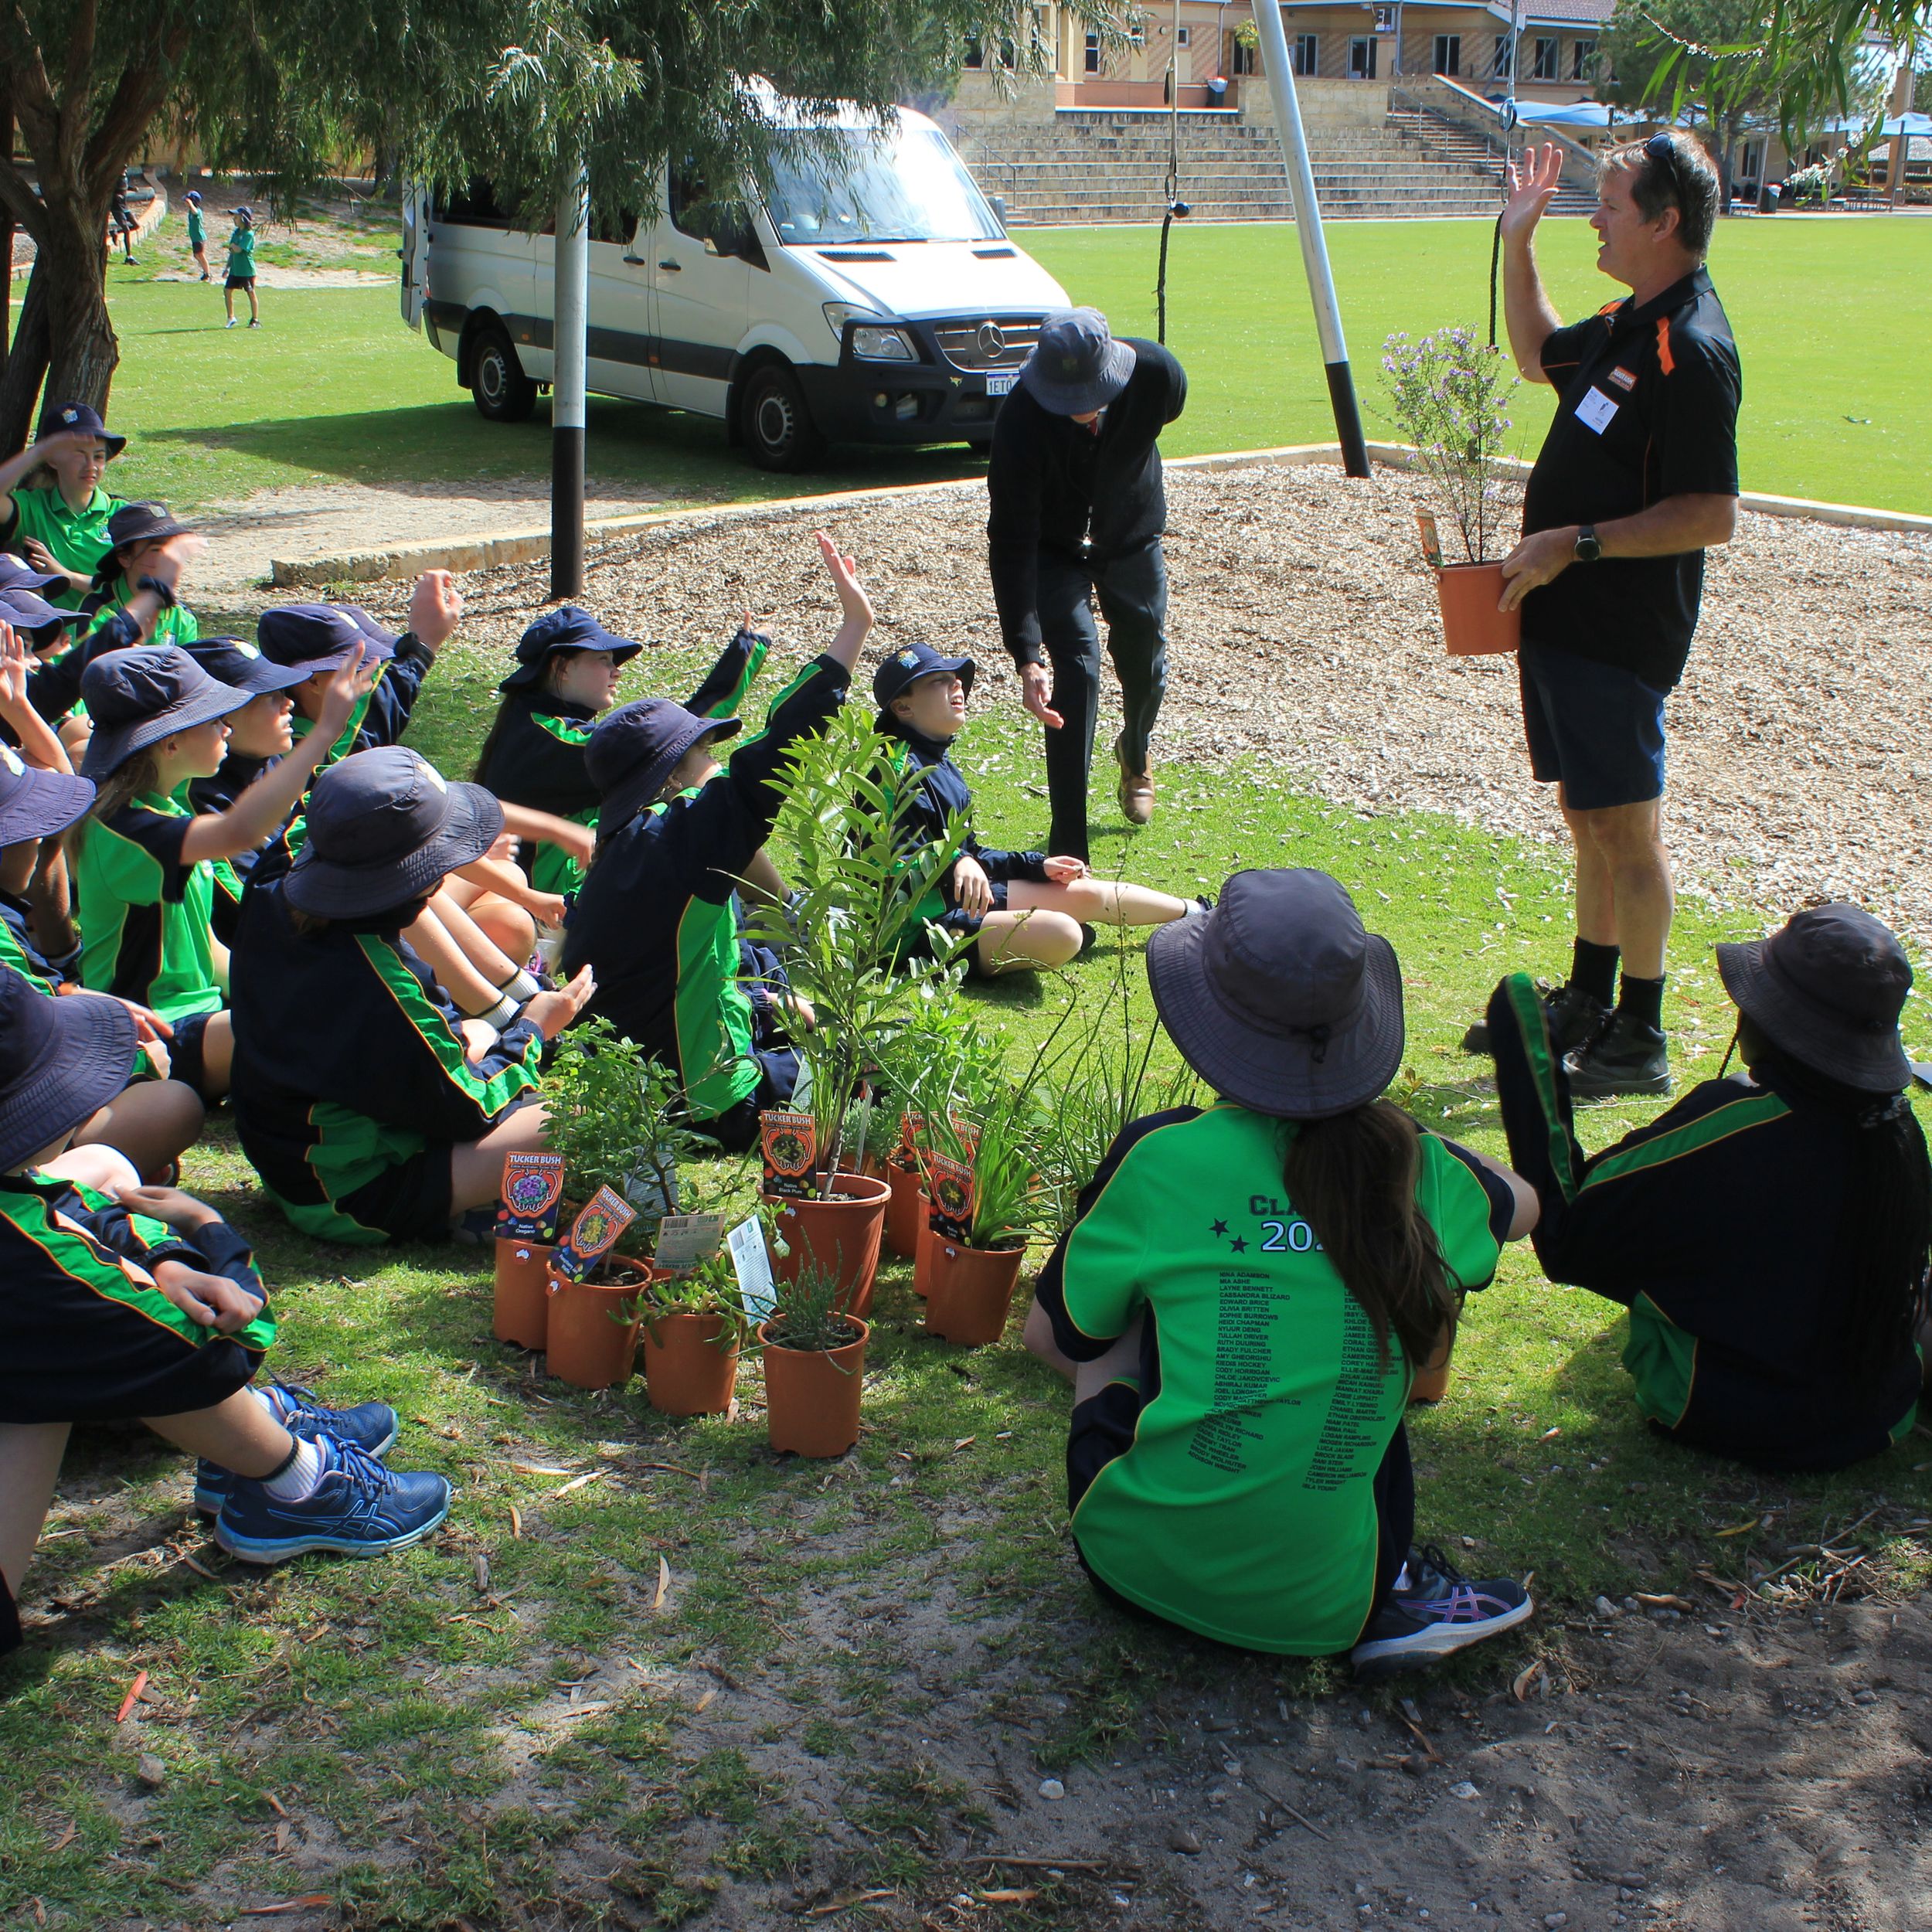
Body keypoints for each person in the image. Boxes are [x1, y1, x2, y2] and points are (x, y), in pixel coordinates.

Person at [1023, 869, 1539, 1675]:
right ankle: (1395, 1587)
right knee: (1361, 1349)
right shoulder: (1418, 1166)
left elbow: (1048, 1338)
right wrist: (1415, 1138)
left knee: (1111, 1315)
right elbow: (1527, 1203)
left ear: (1208, 1021)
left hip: (1128, 1567)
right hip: (1328, 1608)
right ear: (1363, 1023)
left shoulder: (1162, 1155)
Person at [0, 972, 454, 1658]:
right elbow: (213, 1344)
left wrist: (162, 1260)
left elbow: (46, 1200)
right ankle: (294, 1481)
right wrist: (207, 1231)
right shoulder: (26, 1264)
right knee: (119, 1342)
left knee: (92, 1195)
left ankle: (245, 1435)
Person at [1466, 134, 1741, 1098]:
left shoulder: (1690, 347)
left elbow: (1710, 514)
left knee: (1627, 827)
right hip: (1561, 617)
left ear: (1664, 222)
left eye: (1611, 204)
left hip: (1618, 629)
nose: (1593, 217)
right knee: (1586, 814)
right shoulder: (1629, 321)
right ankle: (1586, 996)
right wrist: (1517, 242)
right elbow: (1534, 354)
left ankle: (1641, 1031)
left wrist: (1572, 543)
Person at [1485, 904, 1930, 1472]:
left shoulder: (1737, 1125)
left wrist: (1525, 1047)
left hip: (1732, 1417)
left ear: (1772, 1021)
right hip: (1877, 1418)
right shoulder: (1899, 1131)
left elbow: (1569, 1235)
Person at [563, 532, 870, 1148]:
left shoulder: (623, 843)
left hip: (640, 1080)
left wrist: (766, 1004)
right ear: (672, 776)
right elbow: (775, 750)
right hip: (705, 1101)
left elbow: (678, 973)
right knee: (870, 1070)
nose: (717, 762)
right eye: (706, 750)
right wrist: (852, 633)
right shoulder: (682, 839)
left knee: (800, 1014)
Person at [227, 746, 595, 1245]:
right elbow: (472, 1107)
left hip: (286, 1153)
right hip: (348, 1196)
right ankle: (474, 1217)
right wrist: (534, 1029)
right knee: (572, 1115)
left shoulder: (286, 871)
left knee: (476, 1033)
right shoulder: (383, 986)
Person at [69, 642, 373, 1101]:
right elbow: (242, 830)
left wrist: (284, 987)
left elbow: (207, 950)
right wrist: (325, 731)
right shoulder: (125, 832)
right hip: (154, 1031)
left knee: (333, 996)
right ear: (170, 743)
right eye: (214, 719)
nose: (227, 727)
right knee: (323, 1024)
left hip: (203, 1017)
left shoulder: (164, 811)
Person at [0, 631, 203, 1178]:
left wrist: (18, 709)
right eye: (22, 827)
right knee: (171, 1102)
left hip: (53, 1013)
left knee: (152, 1079)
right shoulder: (135, 829)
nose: (39, 834)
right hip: (20, 1101)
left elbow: (59, 806)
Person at [987, 306, 1185, 862]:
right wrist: (1027, 654)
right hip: (1054, 547)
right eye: (1065, 397)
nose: (1079, 407)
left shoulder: (1157, 375)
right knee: (1076, 668)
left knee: (1144, 653)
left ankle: (1135, 752)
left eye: (1090, 393)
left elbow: (1161, 418)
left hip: (1131, 535)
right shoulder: (1020, 418)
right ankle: (1070, 854)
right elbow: (1012, 539)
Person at [875, 641, 1201, 977]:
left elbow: (971, 855)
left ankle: (1202, 914)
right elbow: (888, 864)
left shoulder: (938, 762)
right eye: (938, 680)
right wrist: (957, 860)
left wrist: (1037, 865)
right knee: (1065, 932)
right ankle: (1039, 939)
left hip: (961, 898)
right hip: (916, 928)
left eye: (955, 677)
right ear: (903, 707)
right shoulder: (892, 771)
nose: (956, 683)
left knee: (1086, 894)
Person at [475, 607, 768, 900]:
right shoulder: (553, 740)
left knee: (698, 802)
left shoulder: (529, 720)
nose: (616, 670)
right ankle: (783, 908)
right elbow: (675, 739)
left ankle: (773, 906)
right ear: (561, 668)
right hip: (554, 901)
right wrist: (746, 653)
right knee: (706, 802)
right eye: (603, 660)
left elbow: (671, 735)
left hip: (556, 889)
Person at [0, 406, 131, 607]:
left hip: (113, 627)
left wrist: (65, 576)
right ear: (52, 460)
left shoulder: (123, 514)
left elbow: (136, 590)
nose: (91, 466)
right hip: (56, 627)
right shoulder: (32, 507)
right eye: (79, 455)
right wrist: (38, 452)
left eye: (98, 456)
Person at [224, 206, 259, 328]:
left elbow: (238, 249)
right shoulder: (236, 233)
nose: (234, 219)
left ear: (243, 218)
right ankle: (231, 317)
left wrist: (233, 246)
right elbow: (232, 251)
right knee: (227, 290)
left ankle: (255, 320)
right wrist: (227, 267)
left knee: (250, 293)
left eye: (236, 217)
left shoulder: (248, 234)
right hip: (235, 269)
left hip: (246, 270)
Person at [184, 189, 210, 281]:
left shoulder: (197, 211)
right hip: (194, 238)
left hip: (199, 237)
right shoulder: (191, 212)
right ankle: (204, 271)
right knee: (196, 255)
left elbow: (195, 212)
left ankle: (207, 273)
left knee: (201, 255)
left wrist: (191, 204)